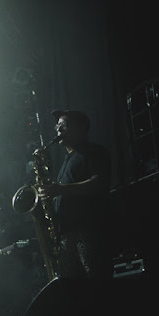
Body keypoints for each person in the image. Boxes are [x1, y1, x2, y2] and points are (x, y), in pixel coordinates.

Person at [38, 110, 112, 280]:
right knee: (73, 289)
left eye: (62, 126)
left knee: (96, 283)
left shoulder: (95, 152)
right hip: (67, 235)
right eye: (57, 127)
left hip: (89, 231)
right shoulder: (67, 160)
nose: (58, 131)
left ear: (79, 128)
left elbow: (98, 183)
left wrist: (61, 189)